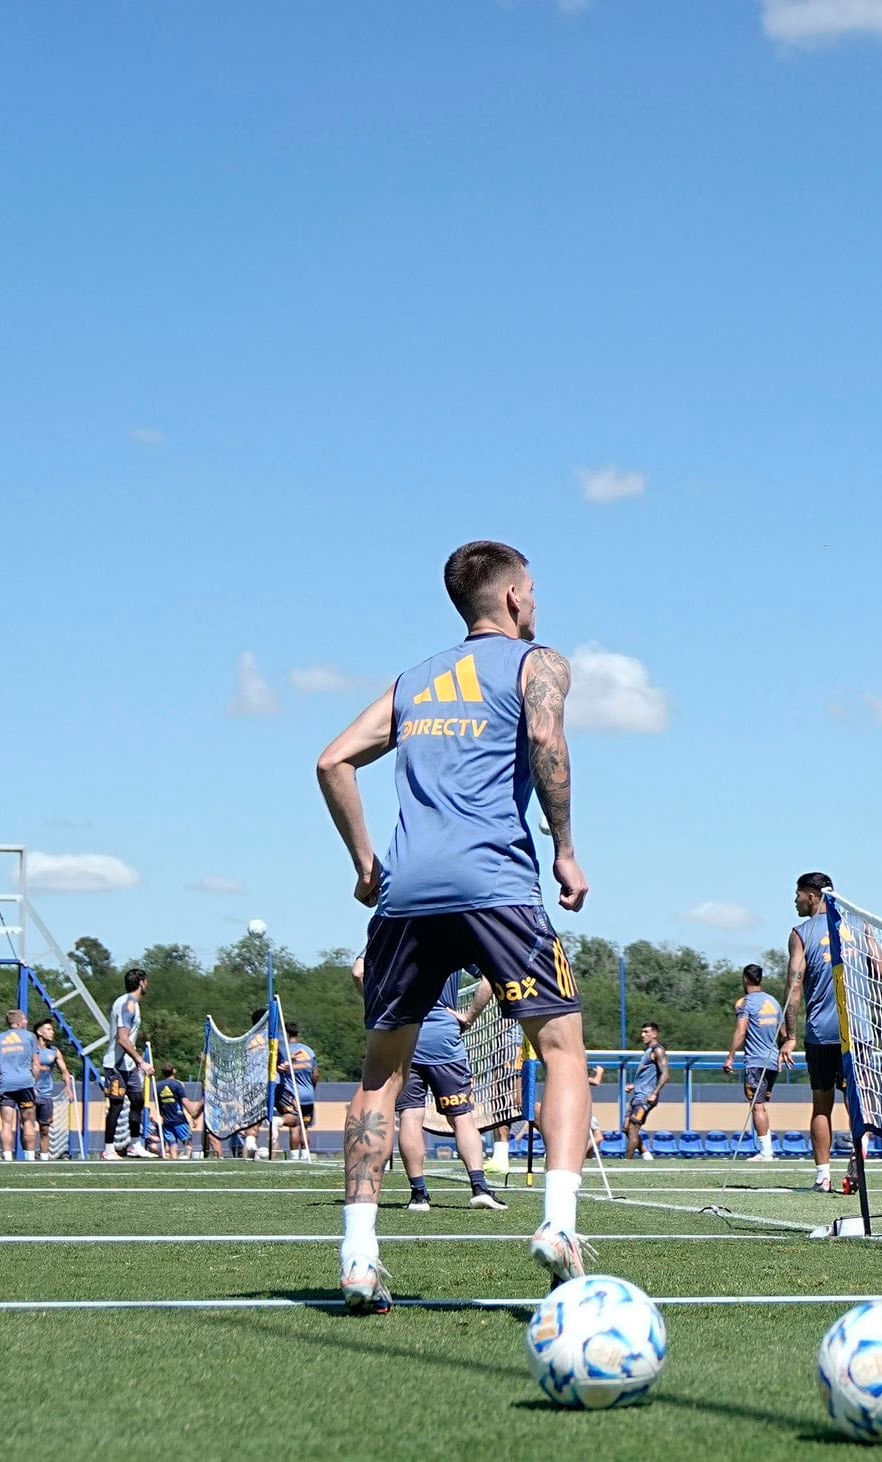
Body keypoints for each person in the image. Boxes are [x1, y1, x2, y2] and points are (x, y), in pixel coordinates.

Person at [317, 539, 592, 1313]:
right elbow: (545, 740)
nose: (534, 603)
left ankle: (358, 1257)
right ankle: (559, 1226)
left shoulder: (413, 682)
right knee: (563, 1050)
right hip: (497, 886)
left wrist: (367, 865)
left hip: (408, 896)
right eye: (531, 591)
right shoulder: (538, 663)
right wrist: (565, 849)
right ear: (513, 599)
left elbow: (333, 760)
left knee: (381, 1075)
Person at [780, 872, 882, 1194]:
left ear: (812, 896)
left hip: (822, 1032)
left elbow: (794, 985)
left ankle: (822, 1176)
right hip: (859, 1031)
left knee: (822, 1105)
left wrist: (790, 1034)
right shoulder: (859, 925)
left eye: (798, 895)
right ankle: (858, 1158)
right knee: (859, 1101)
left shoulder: (801, 933)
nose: (795, 901)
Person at [395, 969, 507, 1213]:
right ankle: (479, 1187)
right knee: (461, 1116)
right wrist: (469, 1017)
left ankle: (418, 1194)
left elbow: (360, 973)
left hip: (403, 1035)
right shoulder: (454, 933)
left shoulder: (393, 931)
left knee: (410, 1115)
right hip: (444, 1039)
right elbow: (490, 977)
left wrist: (383, 1011)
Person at [722, 963, 785, 1162]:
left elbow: (741, 1031)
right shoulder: (773, 1002)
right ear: (761, 979)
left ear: (745, 979)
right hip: (773, 1062)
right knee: (762, 1105)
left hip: (756, 1061)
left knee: (757, 1106)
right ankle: (767, 1149)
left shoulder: (744, 1003)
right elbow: (784, 1032)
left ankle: (766, 1151)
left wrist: (731, 1056)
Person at [101, 969, 154, 1160]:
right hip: (116, 1064)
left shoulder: (134, 1004)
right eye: (146, 981)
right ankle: (108, 1149)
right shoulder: (128, 1004)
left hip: (128, 1064)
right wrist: (142, 1061)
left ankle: (135, 1145)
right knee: (116, 1105)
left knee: (137, 1100)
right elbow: (123, 1039)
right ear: (141, 982)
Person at [0, 1010, 41, 1161]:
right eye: (24, 1019)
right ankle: (30, 1159)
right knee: (28, 1122)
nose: (27, 1022)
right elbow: (36, 1065)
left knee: (6, 1124)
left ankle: (7, 1158)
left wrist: (1, 1078)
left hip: (6, 1086)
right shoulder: (30, 1037)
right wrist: (33, 1082)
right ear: (19, 1022)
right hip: (26, 1084)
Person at [622, 1023, 669, 1161]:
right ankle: (646, 1153)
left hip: (645, 1097)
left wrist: (654, 1093)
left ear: (654, 1034)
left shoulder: (658, 1050)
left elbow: (665, 1074)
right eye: (642, 1032)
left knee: (633, 1129)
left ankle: (628, 1161)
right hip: (638, 1095)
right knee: (626, 1127)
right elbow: (648, 1076)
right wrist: (635, 1085)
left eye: (646, 1032)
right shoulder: (647, 1052)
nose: (642, 1035)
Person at [276, 1022, 317, 1162]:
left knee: (294, 1127)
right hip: (308, 1095)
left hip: (292, 1094)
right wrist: (312, 1088)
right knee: (304, 1126)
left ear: (286, 1034)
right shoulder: (309, 1051)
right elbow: (316, 1074)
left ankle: (294, 1156)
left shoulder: (282, 1051)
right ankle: (305, 1155)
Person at [34, 1019, 69, 1161]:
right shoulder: (30, 1049)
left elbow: (64, 1071)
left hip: (46, 1095)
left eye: (52, 1029)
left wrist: (68, 1087)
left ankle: (44, 1159)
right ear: (39, 1032)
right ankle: (27, 1157)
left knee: (45, 1129)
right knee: (27, 1127)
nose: (52, 1032)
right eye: (48, 1029)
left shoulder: (54, 1052)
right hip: (30, 1093)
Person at [155, 1063, 202, 1159]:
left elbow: (158, 1104)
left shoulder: (158, 1086)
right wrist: (193, 1115)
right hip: (179, 1119)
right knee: (187, 1141)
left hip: (167, 1120)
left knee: (172, 1143)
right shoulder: (177, 1084)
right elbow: (185, 1101)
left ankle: (174, 1160)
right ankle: (187, 1160)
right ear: (174, 1071)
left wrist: (162, 1116)